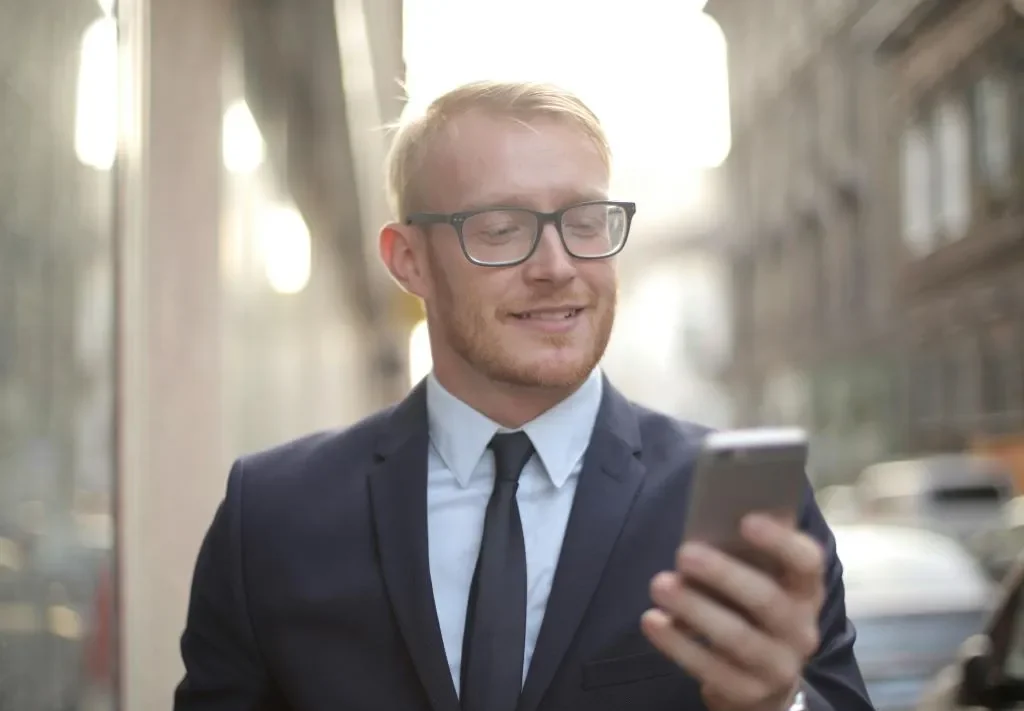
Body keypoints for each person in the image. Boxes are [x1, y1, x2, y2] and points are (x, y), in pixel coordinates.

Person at [174, 80, 874, 711]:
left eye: (585, 222)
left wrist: (778, 706)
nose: (558, 267)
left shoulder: (736, 513)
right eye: (503, 230)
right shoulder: (269, 519)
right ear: (408, 259)